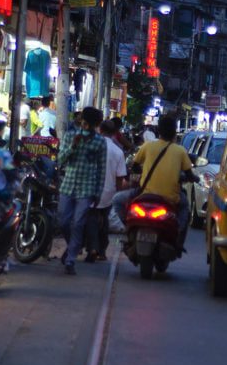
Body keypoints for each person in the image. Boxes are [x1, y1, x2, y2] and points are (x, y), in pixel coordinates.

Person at [120, 114, 194, 241]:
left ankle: (127, 228)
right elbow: (189, 174)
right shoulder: (180, 151)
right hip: (170, 197)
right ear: (174, 131)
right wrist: (192, 178)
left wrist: (141, 173)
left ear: (158, 130)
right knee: (185, 210)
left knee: (117, 200)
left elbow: (135, 165)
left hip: (144, 193)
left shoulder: (147, 146)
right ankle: (178, 238)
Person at [56, 107, 107, 275]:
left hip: (87, 188)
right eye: (84, 123)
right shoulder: (70, 135)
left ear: (95, 125)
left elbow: (101, 169)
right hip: (68, 185)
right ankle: (74, 246)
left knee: (78, 223)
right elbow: (61, 160)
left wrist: (98, 193)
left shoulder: (100, 142)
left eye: (89, 125)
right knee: (63, 221)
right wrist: (73, 146)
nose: (85, 127)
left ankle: (70, 260)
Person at [85, 120, 128, 262]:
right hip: (109, 192)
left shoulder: (92, 146)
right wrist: (117, 192)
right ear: (114, 132)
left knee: (92, 218)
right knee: (104, 219)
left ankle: (92, 248)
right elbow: (120, 177)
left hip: (91, 188)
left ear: (100, 130)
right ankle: (101, 250)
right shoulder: (118, 151)